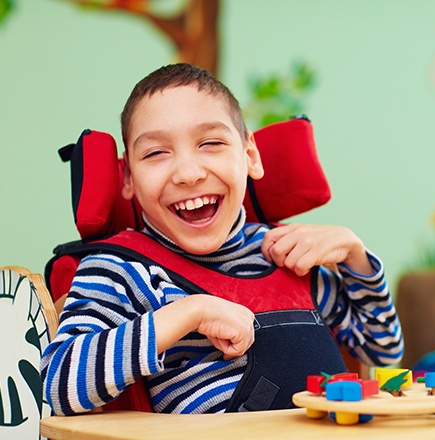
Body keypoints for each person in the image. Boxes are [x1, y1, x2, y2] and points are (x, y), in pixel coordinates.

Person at [41, 63, 403, 416]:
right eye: (155, 153)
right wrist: (187, 313)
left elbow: (383, 352)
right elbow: (55, 385)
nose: (188, 173)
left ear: (250, 156)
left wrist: (356, 257)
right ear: (128, 178)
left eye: (211, 143)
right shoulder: (122, 269)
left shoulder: (287, 254)